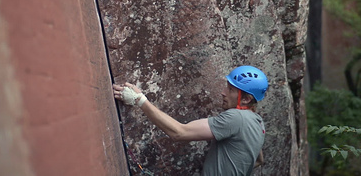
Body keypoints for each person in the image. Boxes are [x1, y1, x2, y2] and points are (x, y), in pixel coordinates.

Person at [113, 65, 269, 176]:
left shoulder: (236, 118)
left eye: (231, 90)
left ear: (247, 99)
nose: (223, 92)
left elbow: (180, 132)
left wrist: (139, 100)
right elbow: (258, 160)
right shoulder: (258, 122)